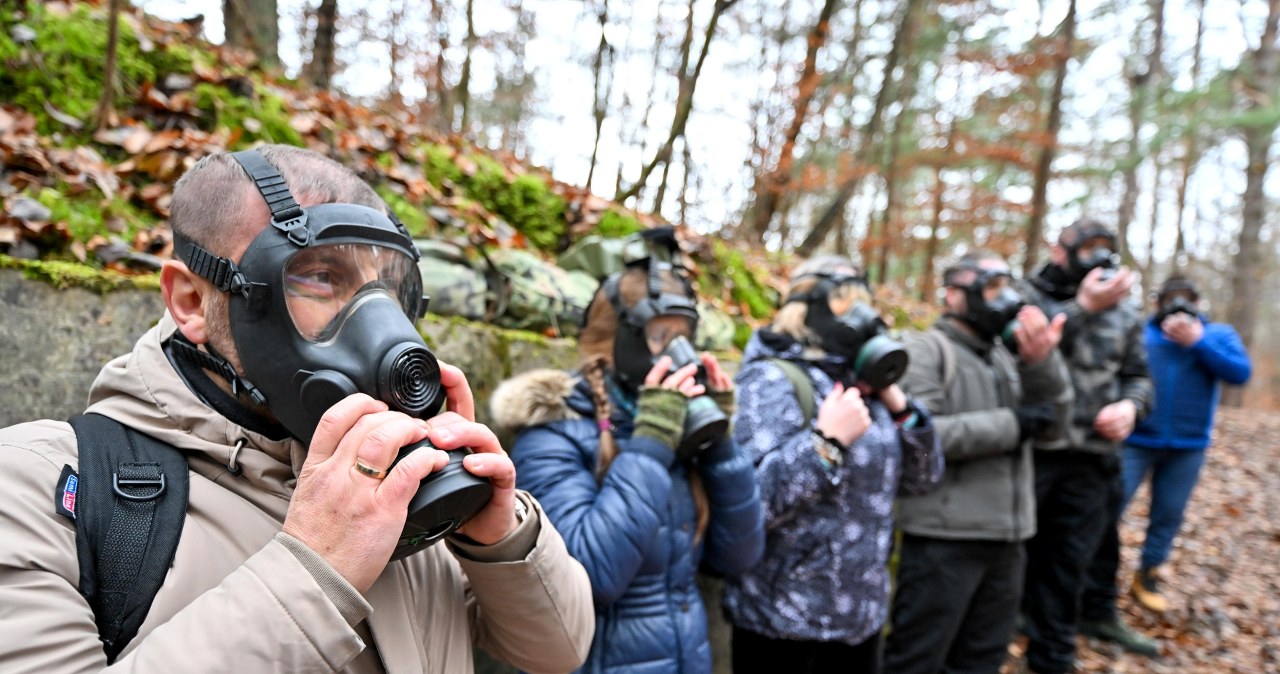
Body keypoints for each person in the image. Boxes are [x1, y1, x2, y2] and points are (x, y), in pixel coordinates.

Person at [0, 145, 594, 672]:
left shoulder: (400, 470)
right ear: (190, 300)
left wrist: (500, 536)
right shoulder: (35, 487)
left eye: (387, 288)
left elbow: (557, 651)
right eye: (317, 277)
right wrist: (313, 571)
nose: (380, 326)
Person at [488, 240, 765, 674]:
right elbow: (590, 576)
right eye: (660, 336)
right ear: (616, 340)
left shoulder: (670, 419)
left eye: (682, 336)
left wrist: (718, 444)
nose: (678, 353)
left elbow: (738, 558)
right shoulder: (554, 432)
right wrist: (652, 444)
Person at [722, 255, 943, 674]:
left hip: (860, 620)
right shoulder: (773, 379)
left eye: (864, 302)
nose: (861, 318)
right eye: (846, 304)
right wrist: (826, 444)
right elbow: (751, 503)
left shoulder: (869, 388)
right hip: (782, 623)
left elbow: (924, 478)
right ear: (807, 308)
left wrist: (899, 405)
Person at [884, 251, 1072, 674]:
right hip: (943, 538)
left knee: (983, 659)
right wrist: (1012, 424)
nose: (1003, 297)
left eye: (1007, 286)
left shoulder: (1005, 356)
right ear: (954, 295)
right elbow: (927, 435)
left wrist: (1043, 362)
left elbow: (1056, 425)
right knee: (917, 659)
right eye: (991, 287)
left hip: (1009, 537)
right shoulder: (924, 349)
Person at [1078, 274, 1251, 645]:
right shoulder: (1141, 333)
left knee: (1168, 514)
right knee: (1108, 506)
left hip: (1188, 444)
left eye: (1186, 299)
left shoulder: (1217, 335)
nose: (1178, 306)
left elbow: (1239, 373)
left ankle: (1149, 573)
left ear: (1198, 302)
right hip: (1137, 439)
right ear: (1157, 302)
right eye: (1170, 298)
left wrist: (1198, 343)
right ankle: (1088, 578)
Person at [1017, 218, 1154, 674]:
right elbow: (1023, 355)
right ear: (1060, 252)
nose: (1096, 257)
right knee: (1013, 558)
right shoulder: (1027, 297)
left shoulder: (1126, 312)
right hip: (1031, 453)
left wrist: (1131, 409)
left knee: (1068, 566)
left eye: (1104, 248)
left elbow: (1139, 378)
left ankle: (1051, 660)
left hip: (1092, 457)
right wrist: (1082, 307)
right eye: (1086, 248)